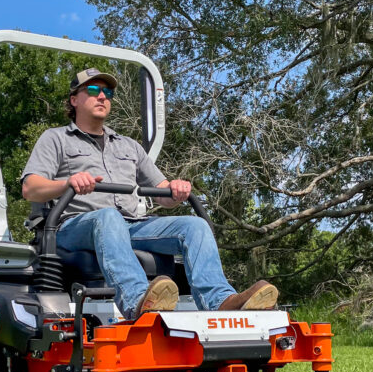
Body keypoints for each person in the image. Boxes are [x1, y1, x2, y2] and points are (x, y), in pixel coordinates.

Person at [21, 67, 278, 319]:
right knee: (108, 217)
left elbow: (162, 196)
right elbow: (30, 189)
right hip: (74, 228)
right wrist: (68, 183)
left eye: (108, 93)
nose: (102, 97)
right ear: (74, 99)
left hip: (131, 226)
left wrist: (174, 189)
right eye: (93, 90)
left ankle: (220, 301)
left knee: (195, 225)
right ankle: (138, 302)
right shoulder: (55, 139)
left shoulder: (129, 146)